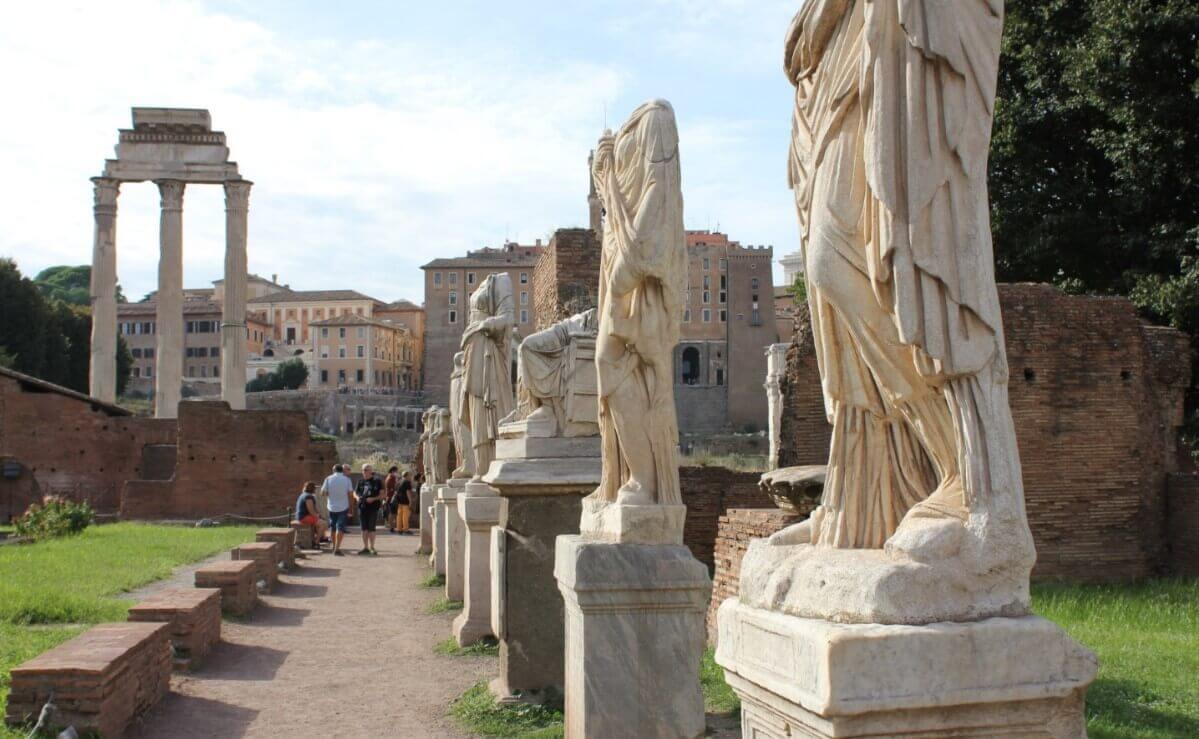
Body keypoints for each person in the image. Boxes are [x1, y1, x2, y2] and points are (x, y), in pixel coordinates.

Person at [322, 463, 354, 556]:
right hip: (343, 507)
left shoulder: (328, 479)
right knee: (340, 527)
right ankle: (337, 548)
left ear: (334, 470)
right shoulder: (347, 480)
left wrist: (329, 495)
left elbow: (323, 492)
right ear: (341, 470)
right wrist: (351, 508)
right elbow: (350, 494)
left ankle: (333, 546)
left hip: (331, 507)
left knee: (333, 527)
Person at [354, 464, 385, 555]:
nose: (364, 472)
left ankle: (372, 547)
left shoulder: (377, 481)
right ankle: (365, 547)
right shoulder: (360, 481)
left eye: (366, 470)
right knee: (364, 528)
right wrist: (357, 498)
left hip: (373, 508)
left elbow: (383, 495)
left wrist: (373, 499)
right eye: (363, 470)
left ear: (371, 471)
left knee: (371, 528)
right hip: (362, 507)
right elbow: (355, 493)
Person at [294, 481, 328, 547]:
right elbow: (311, 510)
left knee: (320, 522)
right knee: (324, 524)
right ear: (312, 489)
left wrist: (318, 516)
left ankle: (320, 537)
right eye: (314, 488)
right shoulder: (308, 497)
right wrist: (318, 516)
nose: (315, 490)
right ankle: (317, 542)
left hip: (302, 516)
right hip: (304, 517)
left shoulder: (304, 495)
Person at [384, 466, 400, 532]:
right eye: (396, 471)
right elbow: (393, 487)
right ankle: (391, 527)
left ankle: (391, 526)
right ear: (393, 471)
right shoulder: (392, 478)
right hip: (392, 497)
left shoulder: (389, 477)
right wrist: (397, 483)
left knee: (392, 513)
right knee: (392, 513)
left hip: (389, 497)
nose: (397, 473)